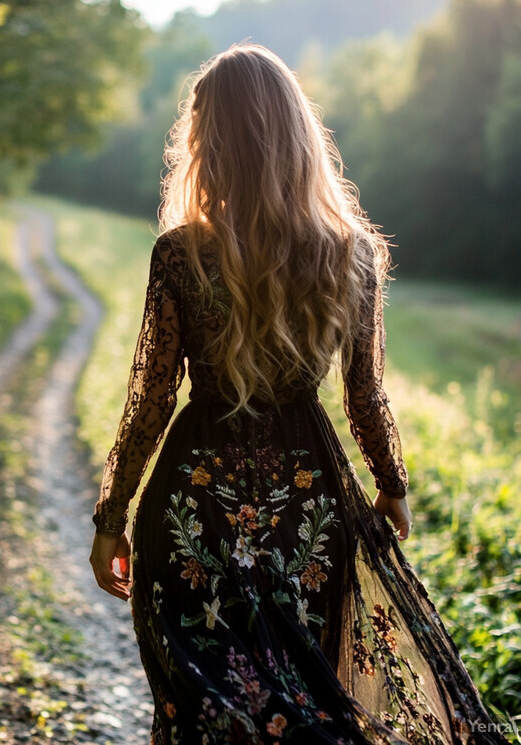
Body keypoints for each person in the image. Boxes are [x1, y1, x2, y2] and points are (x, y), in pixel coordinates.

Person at [89, 44, 509, 745]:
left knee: (200, 710)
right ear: (295, 135)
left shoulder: (182, 255)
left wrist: (111, 516)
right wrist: (391, 484)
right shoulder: (352, 253)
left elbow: (151, 400)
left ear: (208, 139)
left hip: (194, 508)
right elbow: (365, 393)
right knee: (304, 704)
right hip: (310, 511)